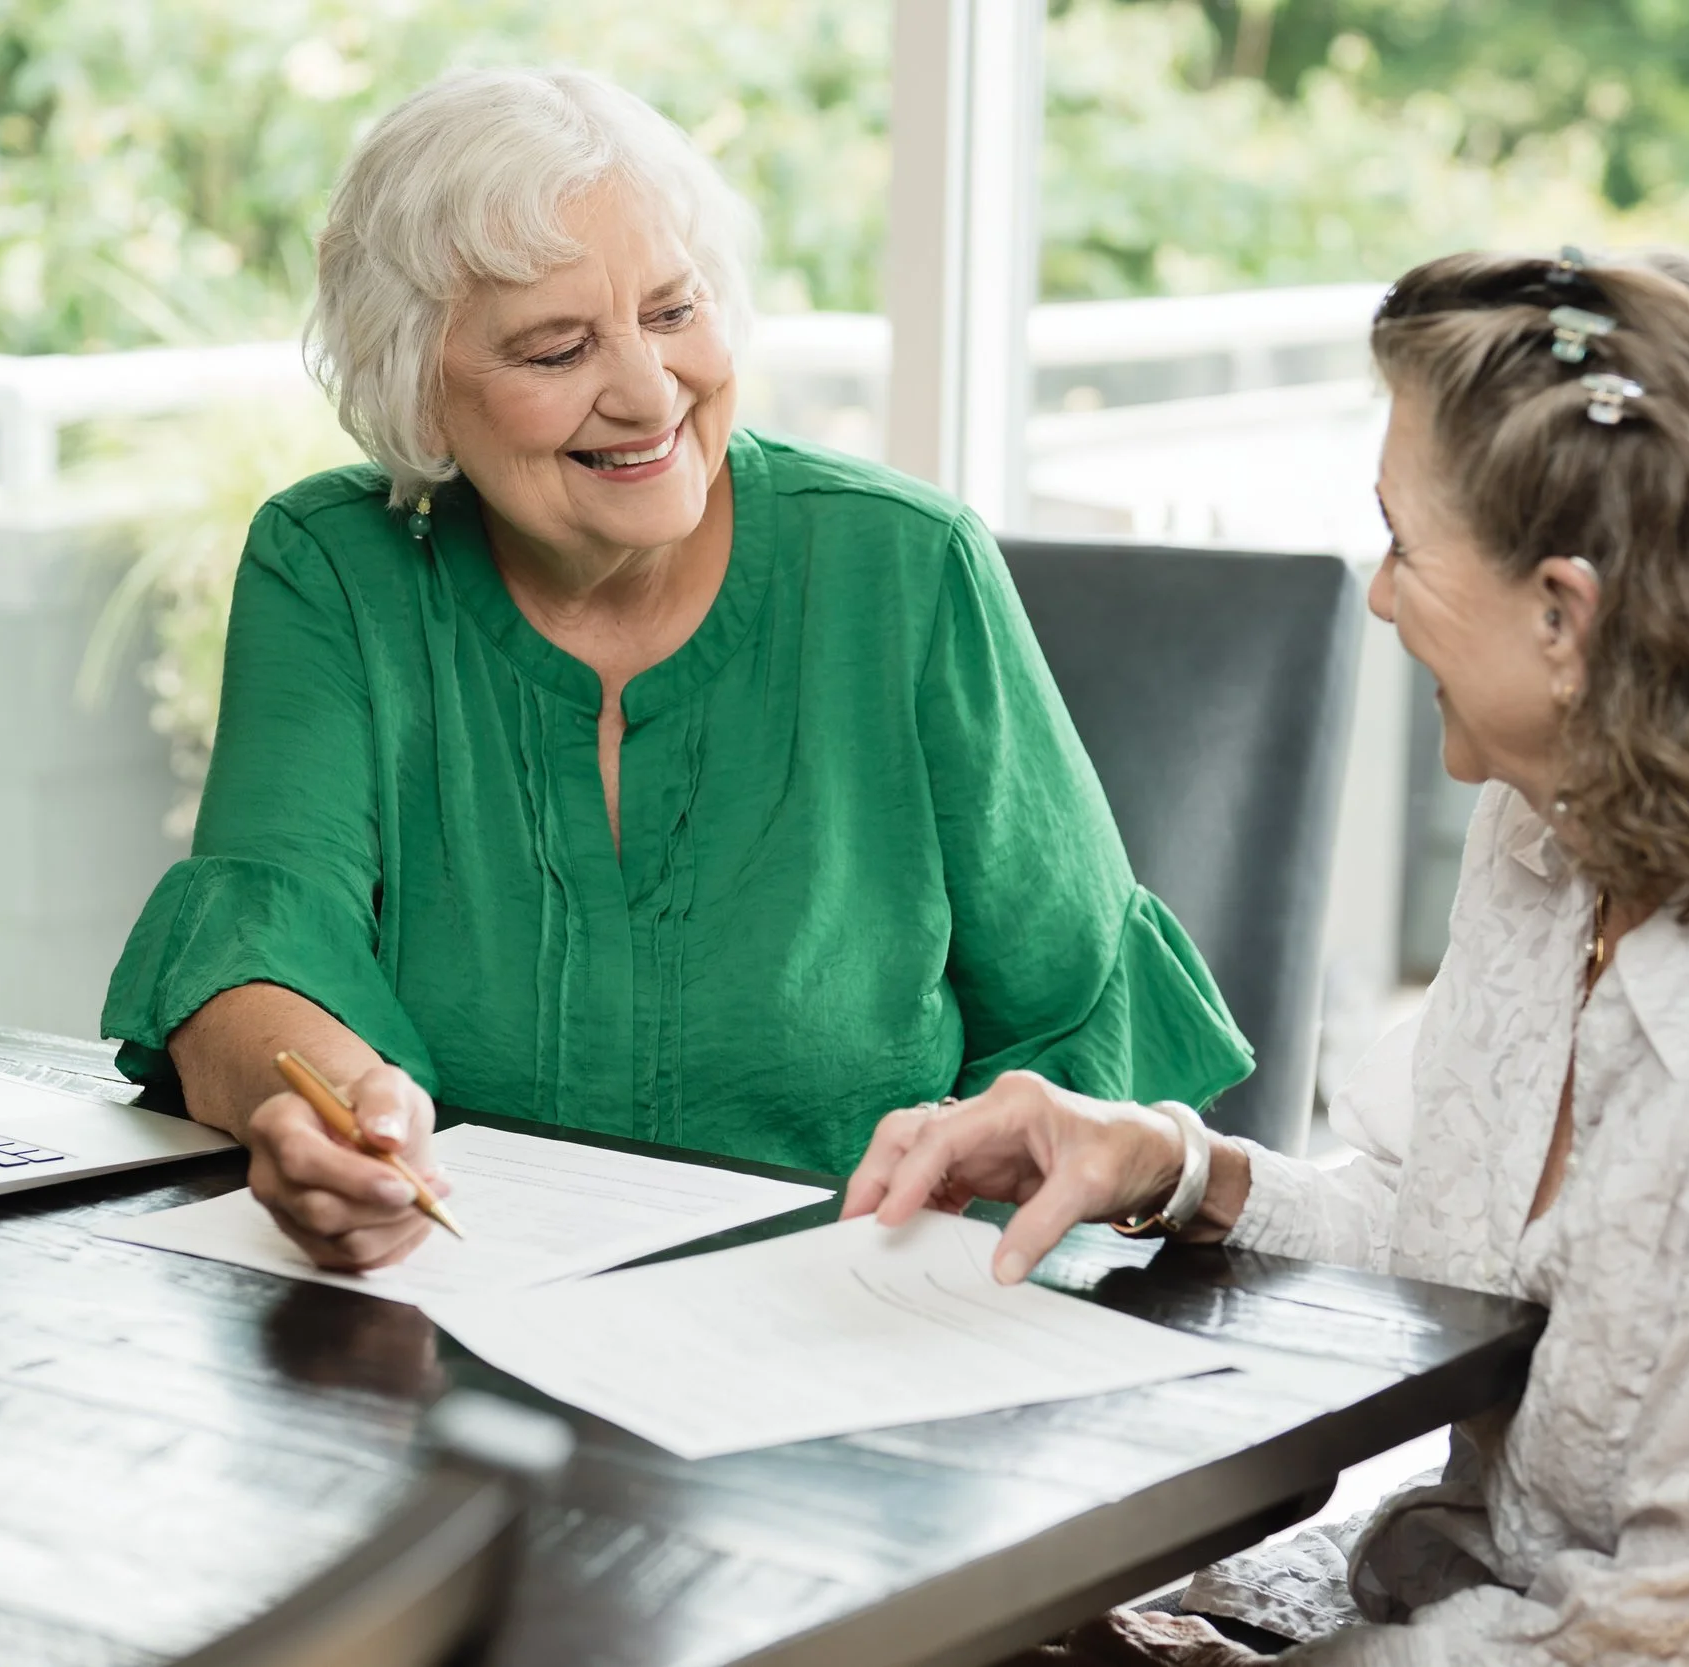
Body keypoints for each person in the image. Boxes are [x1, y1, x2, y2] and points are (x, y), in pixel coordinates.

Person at [850, 248, 1689, 1664]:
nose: (1378, 600)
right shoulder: (1551, 823)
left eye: (1402, 542)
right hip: (1475, 1599)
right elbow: (1460, 1233)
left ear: (1565, 617)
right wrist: (1169, 1163)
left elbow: (1676, 1642)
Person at [101, 67, 1252, 1273]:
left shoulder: (910, 568)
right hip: (450, 1314)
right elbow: (257, 946)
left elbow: (1075, 1032)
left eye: (671, 311)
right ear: (419, 393)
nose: (649, 393)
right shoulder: (332, 567)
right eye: (556, 349)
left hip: (854, 1328)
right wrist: (334, 1113)